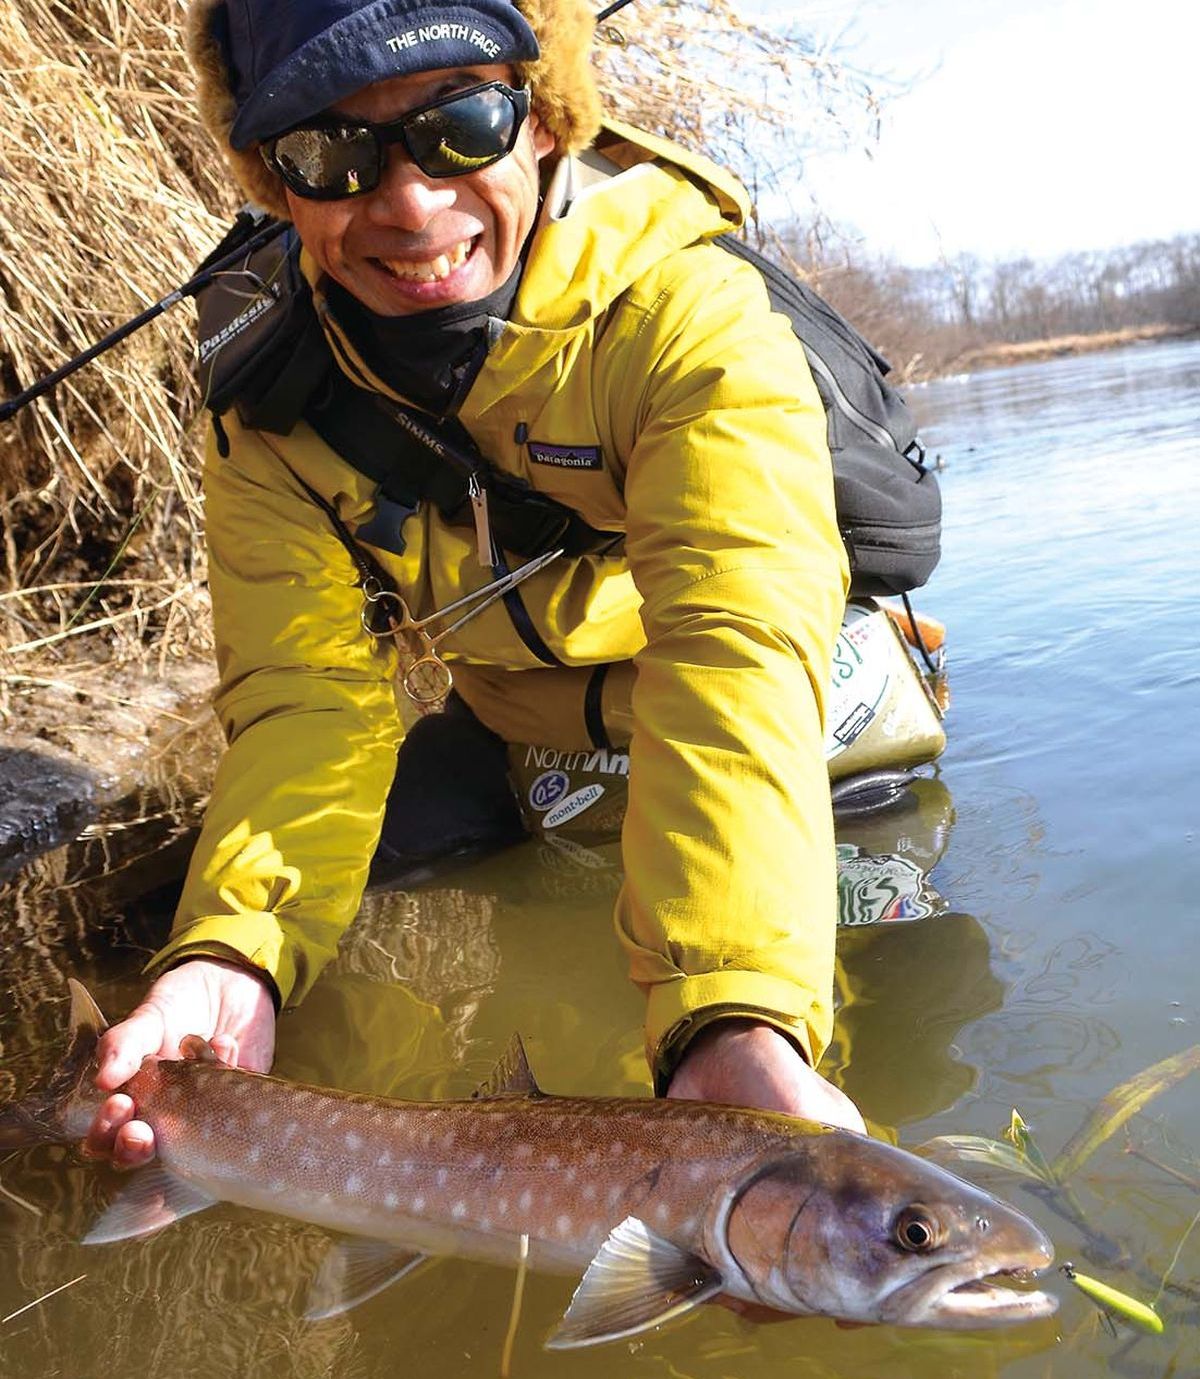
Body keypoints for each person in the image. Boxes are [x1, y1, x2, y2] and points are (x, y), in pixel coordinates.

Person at [86, 0, 865, 1167]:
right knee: (159, 926)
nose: (409, 204)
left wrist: (736, 1017)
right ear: (274, 183)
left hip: (774, 719)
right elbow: (306, 700)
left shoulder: (691, 322)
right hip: (519, 733)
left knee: (862, 926)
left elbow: (732, 654)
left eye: (463, 124)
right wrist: (229, 955)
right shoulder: (268, 397)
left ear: (545, 120)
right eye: (330, 152)